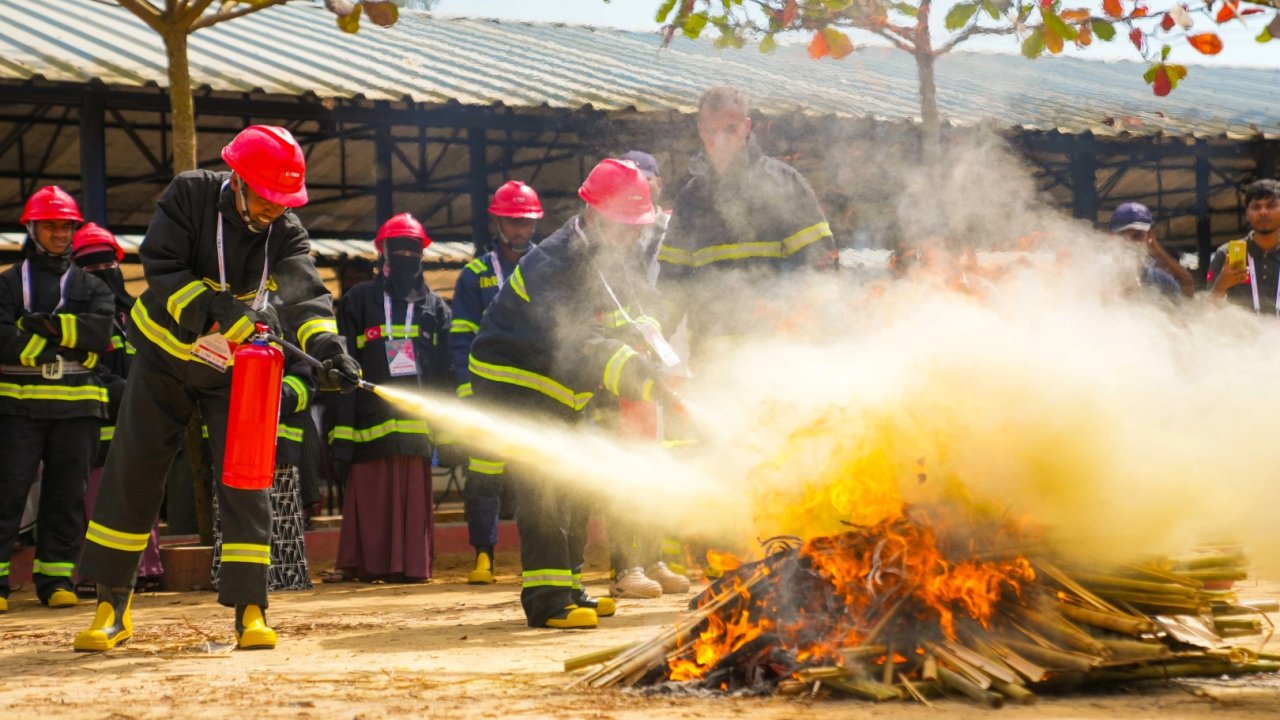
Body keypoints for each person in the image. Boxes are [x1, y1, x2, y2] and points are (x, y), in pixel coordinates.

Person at [74, 125, 361, 652]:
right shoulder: (189, 195)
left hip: (234, 368)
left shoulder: (287, 230)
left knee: (247, 479)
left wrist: (328, 351)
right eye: (268, 197)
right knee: (134, 471)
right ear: (238, 179)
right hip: (163, 353)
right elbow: (163, 268)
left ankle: (251, 609)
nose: (276, 209)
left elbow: (305, 299)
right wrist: (218, 309)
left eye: (284, 201)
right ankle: (112, 606)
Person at [469, 158, 676, 629]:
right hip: (515, 380)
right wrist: (634, 370)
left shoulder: (609, 257)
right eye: (624, 226)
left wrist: (651, 343)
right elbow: (575, 342)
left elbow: (624, 316)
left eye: (635, 226)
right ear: (596, 214)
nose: (631, 235)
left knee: (577, 481)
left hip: (561, 386)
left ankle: (569, 584)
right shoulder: (555, 261)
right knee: (544, 484)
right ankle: (547, 601)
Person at [657, 86, 837, 366]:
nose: (720, 141)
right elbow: (671, 284)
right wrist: (654, 343)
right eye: (710, 131)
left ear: (747, 127)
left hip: (777, 355)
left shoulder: (784, 183)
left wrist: (816, 341)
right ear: (700, 131)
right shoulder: (690, 199)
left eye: (730, 130)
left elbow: (820, 269)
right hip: (711, 357)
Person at [0, 187, 113, 614]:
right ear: (31, 228)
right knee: (6, 495)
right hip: (17, 408)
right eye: (50, 225)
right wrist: (63, 341)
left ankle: (55, 579)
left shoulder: (92, 285)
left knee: (66, 497)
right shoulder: (8, 284)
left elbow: (101, 335)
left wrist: (36, 327)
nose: (60, 233)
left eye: (66, 226)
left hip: (77, 408)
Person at [325, 213, 452, 584]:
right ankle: (363, 565)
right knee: (370, 495)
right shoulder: (357, 301)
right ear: (382, 254)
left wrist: (448, 434)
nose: (405, 257)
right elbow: (342, 370)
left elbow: (444, 376)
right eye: (397, 250)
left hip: (415, 430)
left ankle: (412, 566)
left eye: (412, 250)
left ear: (422, 255)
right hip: (367, 422)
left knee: (411, 500)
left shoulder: (435, 308)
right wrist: (341, 435)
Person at [445, 180, 543, 585]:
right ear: (497, 221)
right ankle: (483, 556)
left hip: (535, 392)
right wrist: (469, 394)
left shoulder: (547, 268)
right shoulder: (475, 275)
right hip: (489, 391)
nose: (521, 230)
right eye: (514, 222)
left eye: (527, 223)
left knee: (535, 479)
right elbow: (461, 338)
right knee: (484, 475)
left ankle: (536, 557)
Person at [70, 223, 164, 592]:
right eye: (90, 269)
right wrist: (123, 389)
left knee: (142, 498)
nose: (101, 274)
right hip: (95, 430)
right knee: (96, 504)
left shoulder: (138, 314)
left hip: (139, 428)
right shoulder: (77, 319)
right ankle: (95, 576)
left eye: (106, 265)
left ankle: (147, 570)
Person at [1207, 179, 1280, 311]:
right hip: (1240, 331)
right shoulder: (1225, 254)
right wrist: (1221, 286)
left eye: (1271, 206)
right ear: (1247, 213)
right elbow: (1207, 312)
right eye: (1256, 207)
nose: (1263, 212)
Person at [1109, 202, 1193, 297]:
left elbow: (1188, 288)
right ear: (1112, 237)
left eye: (1138, 235)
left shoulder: (1163, 281)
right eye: (1123, 235)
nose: (1133, 243)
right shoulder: (1100, 277)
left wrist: (1158, 251)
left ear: (1149, 236)